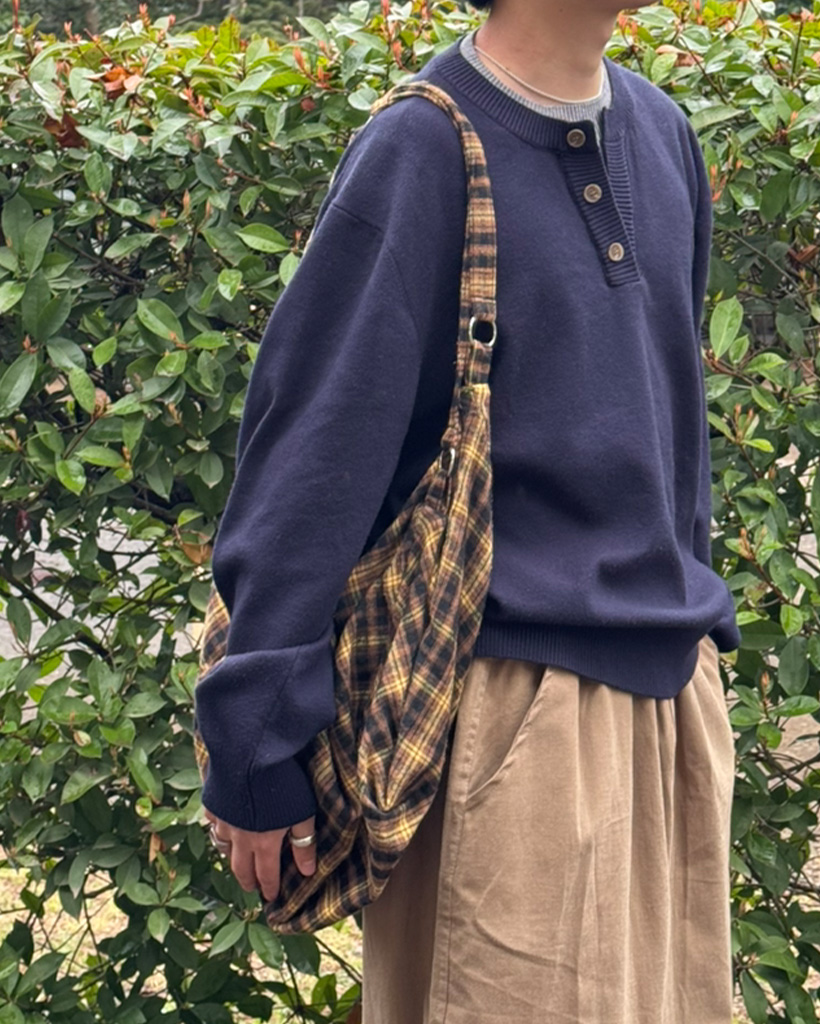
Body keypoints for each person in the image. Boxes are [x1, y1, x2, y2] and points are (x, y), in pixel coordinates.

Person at [195, 1, 742, 1021]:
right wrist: (256, 737)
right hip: (515, 722)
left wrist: (698, 640)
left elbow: (669, 434)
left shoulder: (661, 131)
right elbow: (316, 453)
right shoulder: (422, 147)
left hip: (671, 709)